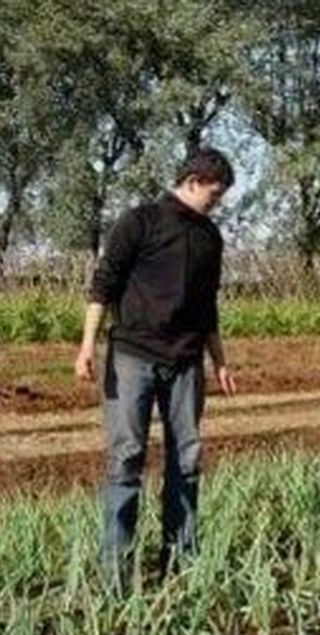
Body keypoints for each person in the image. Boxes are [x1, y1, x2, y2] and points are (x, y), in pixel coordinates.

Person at [75, 146, 239, 587]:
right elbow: (103, 284)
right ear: (192, 181)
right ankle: (116, 573)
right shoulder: (140, 221)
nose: (217, 202)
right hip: (133, 356)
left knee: (186, 460)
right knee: (127, 457)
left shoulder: (210, 238)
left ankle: (181, 563)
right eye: (215, 193)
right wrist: (87, 346)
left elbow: (208, 307)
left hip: (186, 362)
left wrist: (219, 360)